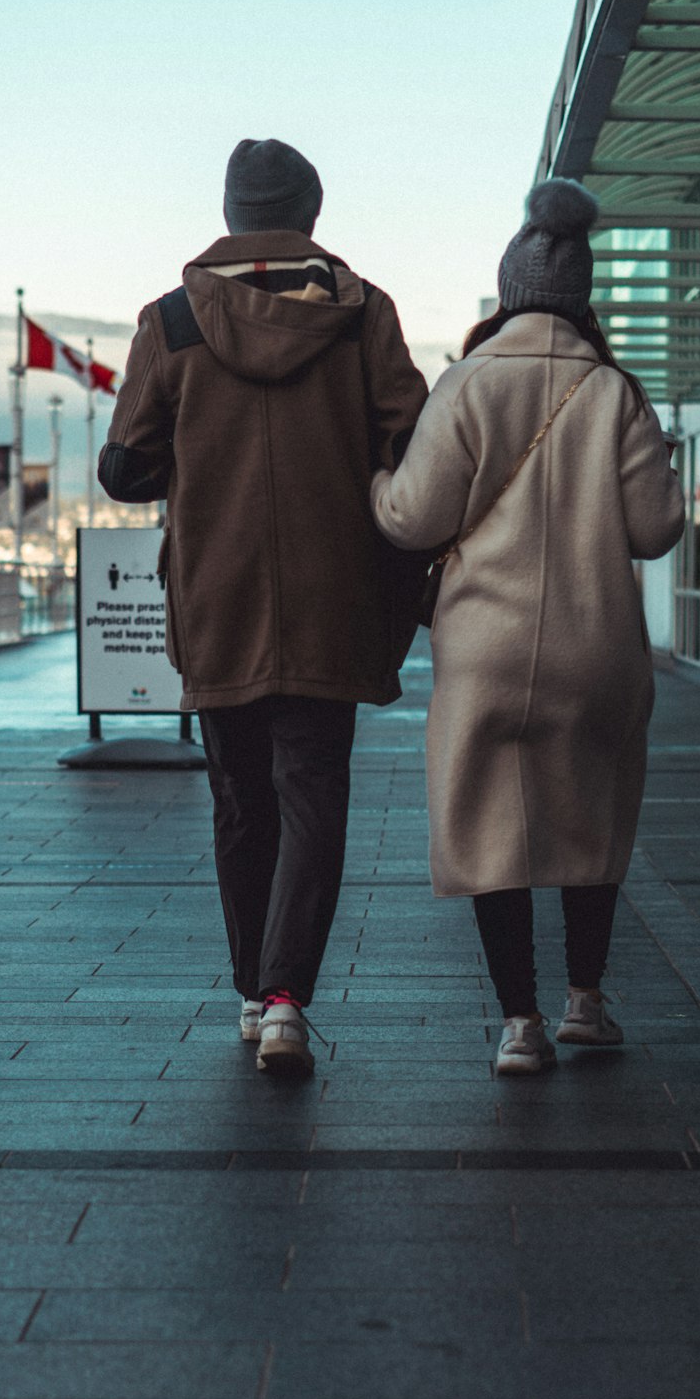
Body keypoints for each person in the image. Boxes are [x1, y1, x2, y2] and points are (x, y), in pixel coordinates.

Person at [99, 137, 427, 1077]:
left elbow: (126, 468)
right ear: (311, 214)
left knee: (241, 799)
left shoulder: (173, 320)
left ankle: (253, 990)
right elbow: (412, 438)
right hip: (334, 599)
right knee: (313, 794)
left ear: (234, 214)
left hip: (218, 597)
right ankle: (287, 999)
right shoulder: (364, 314)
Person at [371, 178, 685, 1075]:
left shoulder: (466, 384)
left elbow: (410, 520)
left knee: (490, 828)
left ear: (509, 295)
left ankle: (521, 1024)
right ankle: (587, 1001)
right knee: (591, 819)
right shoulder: (615, 391)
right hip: (597, 649)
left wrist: (373, 485)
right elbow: (656, 530)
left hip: (486, 650)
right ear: (580, 302)